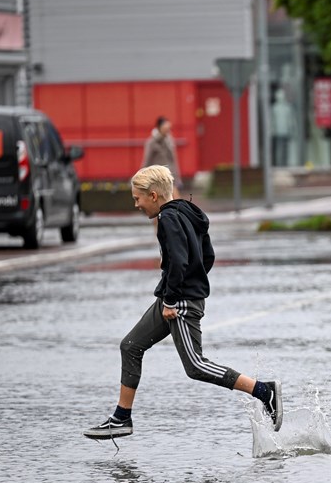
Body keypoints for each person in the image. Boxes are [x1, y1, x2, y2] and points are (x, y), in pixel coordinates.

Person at [83, 165, 283, 440]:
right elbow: (207, 256)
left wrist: (174, 298)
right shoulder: (188, 212)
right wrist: (185, 281)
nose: (136, 204)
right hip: (173, 295)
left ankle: (264, 390)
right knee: (130, 346)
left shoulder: (167, 218)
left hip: (179, 301)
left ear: (153, 195)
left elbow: (179, 261)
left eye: (137, 198)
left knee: (196, 366)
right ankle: (122, 418)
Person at [143, 116, 182, 198]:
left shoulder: (169, 141)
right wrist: (142, 176)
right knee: (166, 201)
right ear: (159, 127)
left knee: (176, 200)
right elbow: (147, 161)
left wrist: (177, 177)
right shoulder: (152, 142)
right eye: (165, 128)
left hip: (170, 176)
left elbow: (173, 160)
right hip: (158, 178)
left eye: (169, 128)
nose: (167, 130)